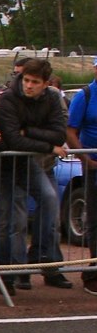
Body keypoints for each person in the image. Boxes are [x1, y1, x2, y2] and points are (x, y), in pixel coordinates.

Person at [0, 57, 69, 293]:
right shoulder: (8, 99)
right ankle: (11, 273)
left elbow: (59, 134)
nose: (28, 85)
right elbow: (14, 138)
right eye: (26, 80)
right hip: (2, 164)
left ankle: (39, 254)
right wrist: (46, 145)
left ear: (45, 83)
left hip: (30, 162)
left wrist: (31, 132)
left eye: (35, 82)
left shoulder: (53, 98)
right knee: (10, 223)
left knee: (49, 200)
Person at [67, 56, 97, 295]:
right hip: (94, 168)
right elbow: (70, 130)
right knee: (95, 221)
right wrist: (86, 159)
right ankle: (94, 273)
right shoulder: (84, 95)